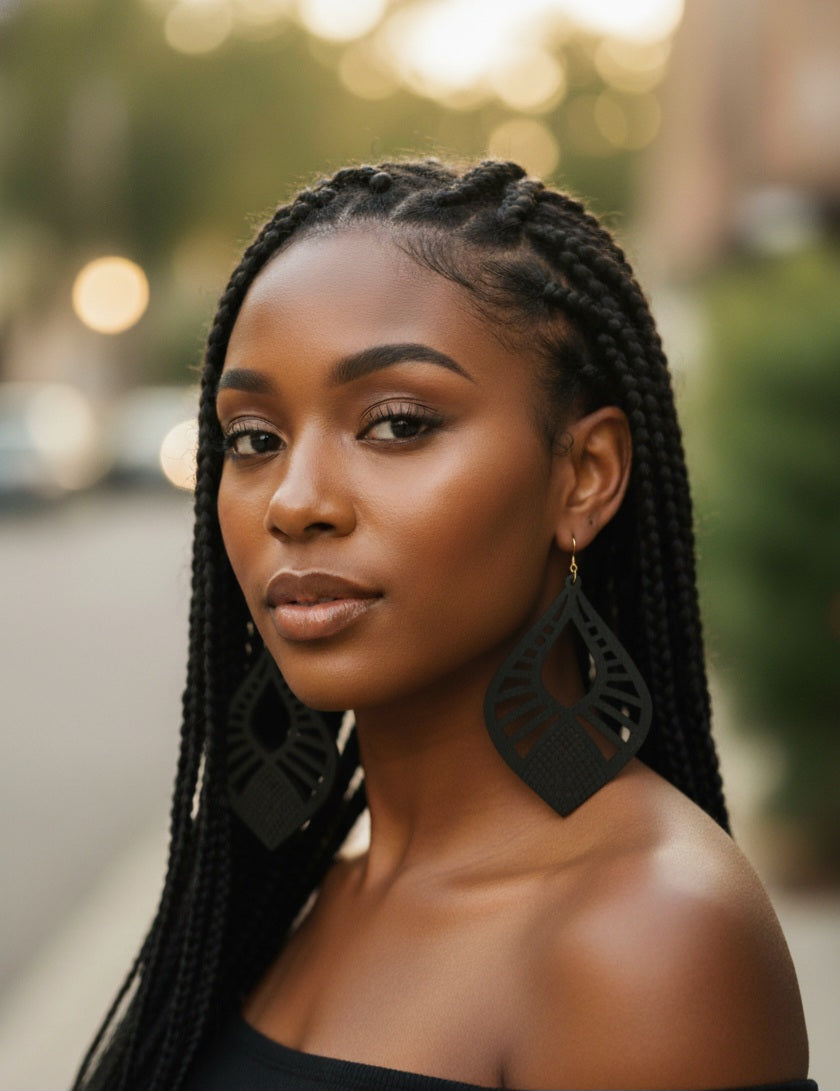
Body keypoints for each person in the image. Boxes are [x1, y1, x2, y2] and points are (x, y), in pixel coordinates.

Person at [74, 160, 814, 1091]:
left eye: (396, 423)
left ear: (583, 474)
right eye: (254, 438)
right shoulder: (292, 893)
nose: (294, 501)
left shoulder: (646, 937)